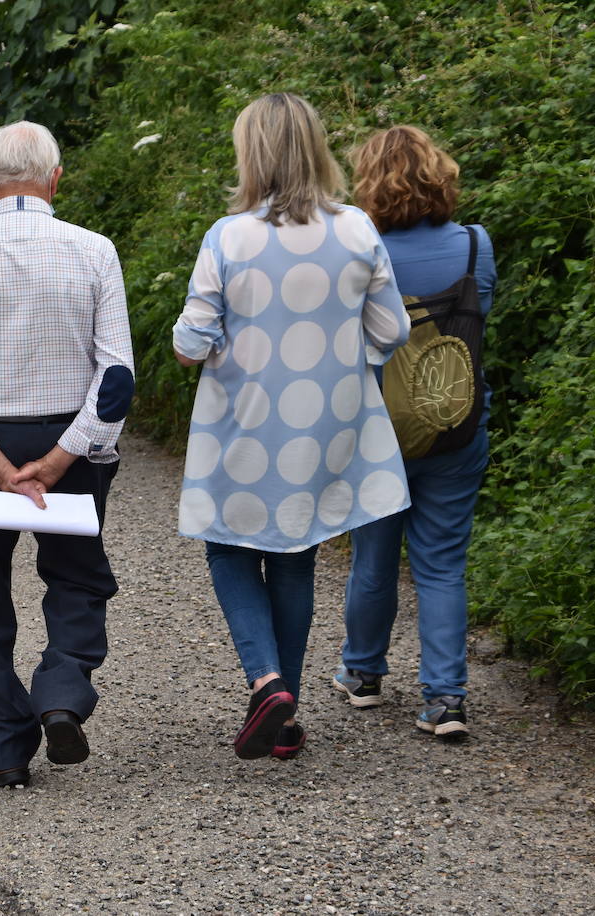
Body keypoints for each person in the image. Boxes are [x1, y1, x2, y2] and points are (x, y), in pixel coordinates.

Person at [171, 93, 411, 761]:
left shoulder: (229, 235)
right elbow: (392, 329)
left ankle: (267, 682)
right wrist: (339, 363)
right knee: (295, 553)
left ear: (253, 153)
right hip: (323, 423)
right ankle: (284, 715)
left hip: (242, 419)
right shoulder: (358, 229)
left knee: (226, 545)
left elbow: (192, 343)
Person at [0, 121, 135, 788]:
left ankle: (3, 745)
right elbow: (117, 378)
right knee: (76, 577)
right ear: (55, 180)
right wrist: (62, 456)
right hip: (68, 447)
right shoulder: (95, 251)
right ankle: (62, 692)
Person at [333, 126, 497, 739]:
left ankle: (364, 674)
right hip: (456, 424)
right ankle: (445, 701)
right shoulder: (477, 247)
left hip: (379, 428)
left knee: (374, 560)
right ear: (440, 175)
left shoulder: (359, 251)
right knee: (442, 564)